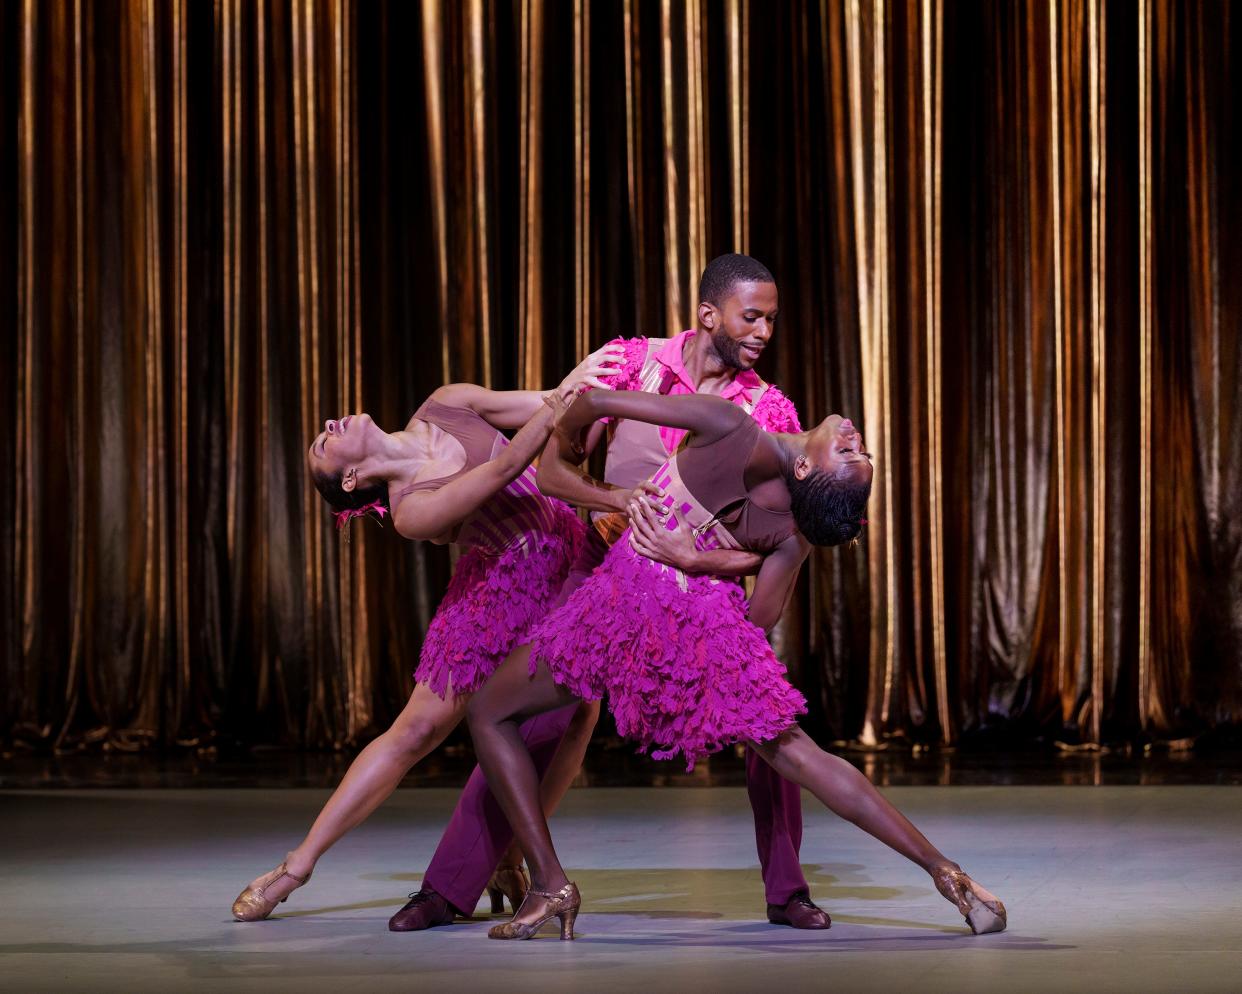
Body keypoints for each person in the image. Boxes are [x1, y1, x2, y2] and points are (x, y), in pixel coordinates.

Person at [465, 389, 1007, 941]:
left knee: (489, 710)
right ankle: (947, 873)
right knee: (797, 752)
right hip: (698, 625)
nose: (854, 439)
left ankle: (549, 883)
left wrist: (568, 454)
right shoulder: (792, 537)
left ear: (803, 465)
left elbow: (593, 398)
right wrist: (705, 564)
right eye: (859, 450)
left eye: (849, 453)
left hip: (618, 604)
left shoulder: (725, 422)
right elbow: (761, 614)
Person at [393, 254, 833, 933]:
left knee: (766, 716)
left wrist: (694, 554)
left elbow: (778, 539)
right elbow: (552, 471)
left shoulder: (767, 409)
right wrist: (619, 498)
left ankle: (788, 890)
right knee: (525, 713)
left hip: (697, 587)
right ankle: (449, 887)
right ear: (709, 313)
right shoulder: (631, 363)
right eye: (753, 317)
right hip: (601, 563)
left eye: (772, 320)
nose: (764, 331)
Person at [230, 346, 623, 922]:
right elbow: (505, 468)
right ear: (352, 476)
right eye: (323, 444)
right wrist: (566, 394)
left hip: (569, 561)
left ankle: (510, 856)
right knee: (415, 731)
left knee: (583, 713)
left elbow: (543, 405)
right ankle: (296, 866)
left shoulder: (444, 402)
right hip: (502, 592)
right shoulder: (409, 509)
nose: (328, 425)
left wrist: (583, 385)